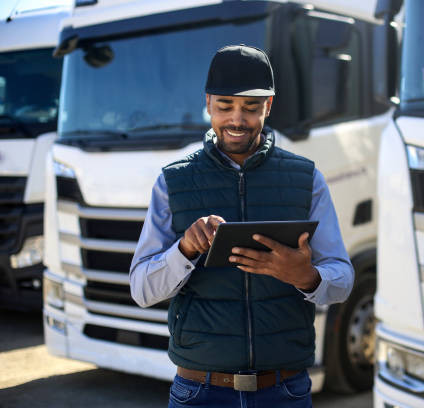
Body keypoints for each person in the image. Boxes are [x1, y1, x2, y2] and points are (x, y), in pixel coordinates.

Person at [129, 44, 354, 408]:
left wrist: (306, 277)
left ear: (269, 106)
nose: (237, 119)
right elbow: (141, 290)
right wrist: (184, 250)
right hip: (199, 392)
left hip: (285, 391)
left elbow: (342, 279)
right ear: (208, 104)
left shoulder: (307, 178)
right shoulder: (172, 182)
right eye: (224, 107)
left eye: (251, 108)